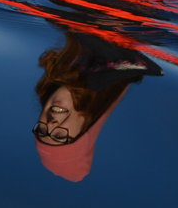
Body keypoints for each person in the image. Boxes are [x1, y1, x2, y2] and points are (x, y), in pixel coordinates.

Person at [32, 30, 162, 182]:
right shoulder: (115, 64)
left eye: (41, 130)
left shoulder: (74, 62)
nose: (51, 124)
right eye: (60, 136)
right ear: (86, 125)